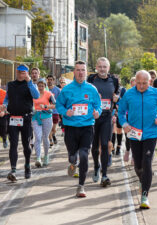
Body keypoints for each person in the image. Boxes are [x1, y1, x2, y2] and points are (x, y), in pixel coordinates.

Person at [118, 70, 157, 209]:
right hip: (134, 134)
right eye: (139, 83)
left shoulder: (155, 92)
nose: (141, 86)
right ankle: (142, 180)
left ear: (150, 81)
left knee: (147, 162)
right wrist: (124, 124)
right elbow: (121, 112)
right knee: (138, 165)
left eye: (144, 83)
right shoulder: (129, 94)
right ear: (135, 81)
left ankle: (145, 196)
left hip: (151, 133)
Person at [56, 60, 101, 197]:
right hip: (70, 127)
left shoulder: (92, 89)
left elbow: (98, 105)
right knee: (72, 155)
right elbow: (59, 105)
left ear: (86, 72)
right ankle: (72, 162)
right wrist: (65, 112)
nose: (81, 73)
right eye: (78, 70)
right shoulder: (67, 89)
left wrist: (97, 112)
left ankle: (81, 186)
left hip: (87, 126)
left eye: (83, 70)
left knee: (84, 155)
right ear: (74, 72)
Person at [2, 64, 40, 182]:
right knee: (13, 144)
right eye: (18, 72)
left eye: (23, 73)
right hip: (13, 117)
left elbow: (36, 95)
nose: (20, 74)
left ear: (27, 74)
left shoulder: (30, 85)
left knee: (26, 144)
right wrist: (5, 104)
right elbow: (7, 97)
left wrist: (29, 82)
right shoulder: (11, 85)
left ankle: (27, 166)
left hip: (26, 118)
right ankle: (13, 170)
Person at [87, 57, 119, 187]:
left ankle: (104, 174)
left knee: (105, 145)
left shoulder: (114, 80)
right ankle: (96, 166)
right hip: (94, 117)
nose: (102, 69)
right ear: (96, 67)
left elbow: (116, 97)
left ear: (108, 68)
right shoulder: (91, 79)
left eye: (104, 67)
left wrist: (116, 101)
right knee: (94, 147)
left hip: (107, 116)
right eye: (100, 66)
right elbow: (85, 95)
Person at [32, 78, 56, 167]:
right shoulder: (34, 94)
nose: (40, 87)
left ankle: (46, 155)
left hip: (47, 117)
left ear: (45, 86)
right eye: (39, 86)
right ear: (37, 86)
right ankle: (38, 157)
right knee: (37, 137)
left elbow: (55, 105)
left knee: (45, 137)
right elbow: (30, 104)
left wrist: (45, 106)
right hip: (35, 117)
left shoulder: (49, 94)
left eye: (42, 86)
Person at [123, 76, 136, 163]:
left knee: (135, 136)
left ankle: (134, 156)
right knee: (128, 136)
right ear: (131, 84)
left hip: (137, 118)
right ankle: (127, 151)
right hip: (128, 117)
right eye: (134, 82)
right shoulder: (128, 94)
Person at [47, 75, 61, 146]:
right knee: (48, 127)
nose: (49, 81)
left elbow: (60, 100)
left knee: (54, 128)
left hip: (55, 111)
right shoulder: (45, 89)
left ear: (54, 80)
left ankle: (53, 135)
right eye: (48, 79)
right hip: (47, 111)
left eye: (51, 79)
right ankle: (50, 140)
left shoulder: (57, 90)